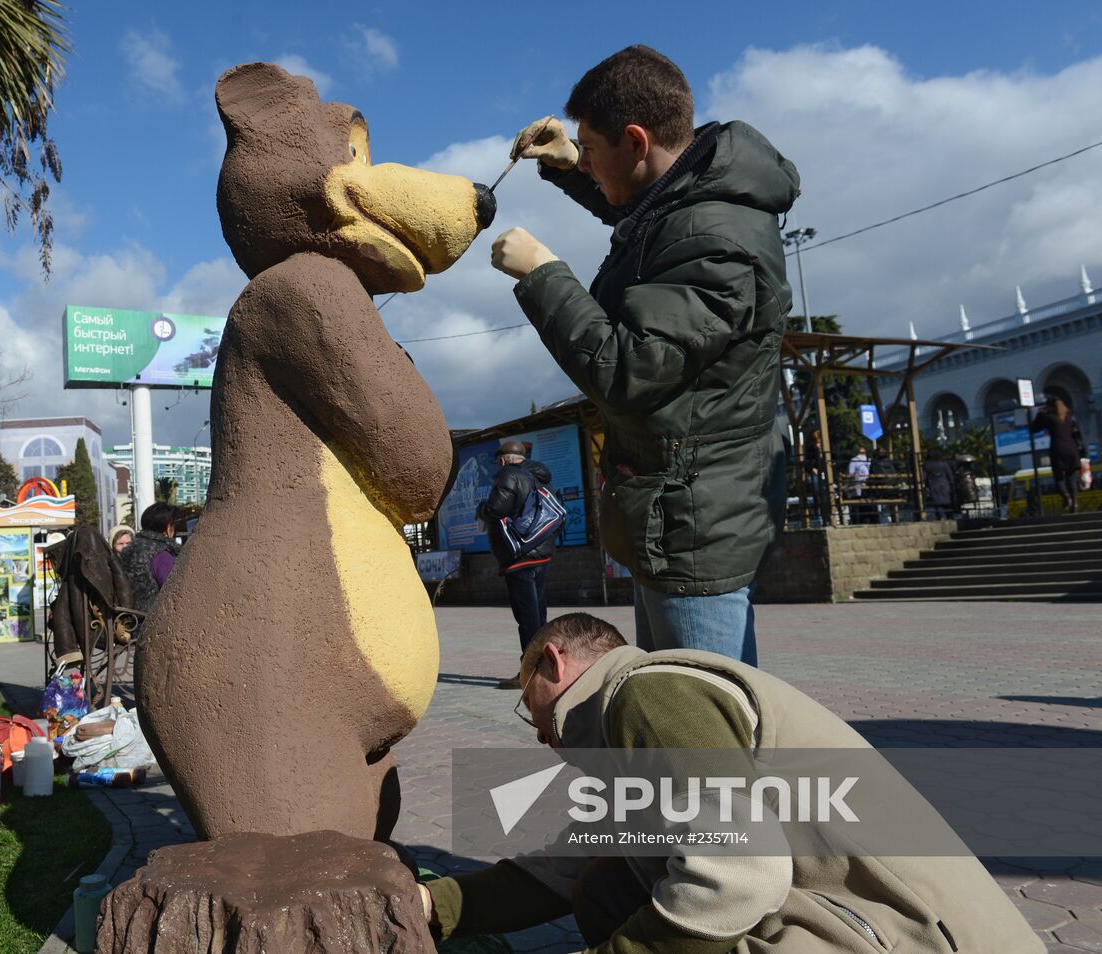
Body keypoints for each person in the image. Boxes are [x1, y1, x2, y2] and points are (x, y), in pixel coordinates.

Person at [416, 612, 1042, 953]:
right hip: (867, 922)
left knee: (694, 901)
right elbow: (566, 864)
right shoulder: (627, 727)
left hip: (917, 937)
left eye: (530, 704)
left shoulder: (648, 693)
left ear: (553, 661)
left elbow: (738, 874)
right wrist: (433, 908)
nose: (538, 734)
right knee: (607, 882)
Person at [489, 45, 799, 666]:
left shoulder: (717, 240)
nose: (592, 167)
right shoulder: (689, 196)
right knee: (669, 722)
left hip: (696, 533)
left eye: (595, 149)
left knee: (707, 742)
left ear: (635, 141)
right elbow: (640, 206)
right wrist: (572, 163)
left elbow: (627, 371)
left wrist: (544, 274)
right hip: (673, 515)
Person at [475, 439, 557, 689]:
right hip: (541, 550)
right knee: (538, 612)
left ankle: (531, 673)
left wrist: (481, 509)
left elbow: (495, 509)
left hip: (519, 555)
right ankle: (546, 666)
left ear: (503, 459)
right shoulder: (540, 476)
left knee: (526, 616)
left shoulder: (508, 476)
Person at [120, 502, 180, 613]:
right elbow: (176, 591)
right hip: (153, 621)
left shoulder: (131, 548)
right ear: (167, 527)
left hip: (130, 619)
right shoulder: (162, 554)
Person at [1031, 396, 1086, 513]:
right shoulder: (1070, 417)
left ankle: (1067, 498)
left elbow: (1034, 428)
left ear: (1050, 407)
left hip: (1057, 449)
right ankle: (1075, 504)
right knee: (1071, 478)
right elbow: (1078, 435)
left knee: (1059, 478)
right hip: (1072, 449)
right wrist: (1083, 452)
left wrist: (1040, 414)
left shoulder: (1049, 418)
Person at [922, 447, 956, 520]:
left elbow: (923, 478)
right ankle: (950, 517)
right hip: (945, 486)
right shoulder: (944, 464)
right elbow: (950, 476)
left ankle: (941, 518)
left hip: (933, 487)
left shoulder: (927, 465)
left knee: (937, 505)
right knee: (947, 504)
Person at [802, 431, 825, 526]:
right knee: (817, 493)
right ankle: (818, 514)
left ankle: (823, 513)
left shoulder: (823, 449)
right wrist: (812, 468)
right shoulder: (812, 449)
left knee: (824, 493)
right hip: (815, 473)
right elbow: (807, 462)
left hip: (822, 473)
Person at [846, 445, 871, 524]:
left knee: (857, 505)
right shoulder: (868, 460)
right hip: (866, 487)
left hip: (858, 487)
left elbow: (850, 473)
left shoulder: (854, 461)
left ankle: (859, 521)